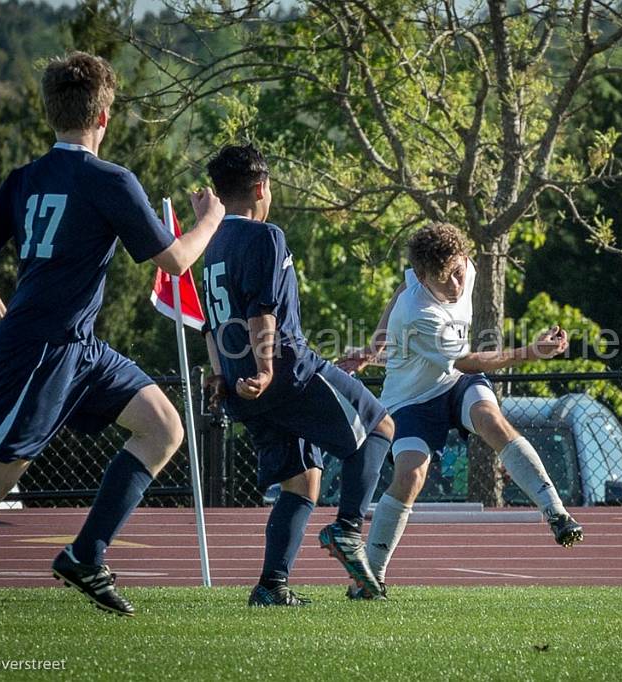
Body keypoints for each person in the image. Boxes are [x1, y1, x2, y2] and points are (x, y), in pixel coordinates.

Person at [0, 52, 226, 621]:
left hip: (77, 347)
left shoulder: (27, 178)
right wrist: (212, 216)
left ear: (50, 114)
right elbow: (177, 261)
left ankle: (86, 555)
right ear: (104, 118)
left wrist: (0, 319)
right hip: (44, 347)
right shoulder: (109, 179)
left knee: (163, 427)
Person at [338, 222, 584, 598]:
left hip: (454, 386)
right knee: (410, 476)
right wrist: (531, 353)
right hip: (411, 401)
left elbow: (402, 283)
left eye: (457, 273)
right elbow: (468, 361)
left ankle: (556, 513)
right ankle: (371, 577)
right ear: (425, 279)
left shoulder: (464, 267)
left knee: (491, 420)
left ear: (463, 259)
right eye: (443, 280)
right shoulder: (418, 311)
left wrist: (374, 346)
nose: (455, 286)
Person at [201, 144, 394, 606]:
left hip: (239, 382)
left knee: (302, 479)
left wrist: (220, 375)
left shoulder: (209, 246)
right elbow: (261, 311)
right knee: (380, 427)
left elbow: (210, 323)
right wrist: (267, 369)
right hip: (287, 371)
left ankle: (272, 586)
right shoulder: (265, 236)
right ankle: (348, 531)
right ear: (260, 187)